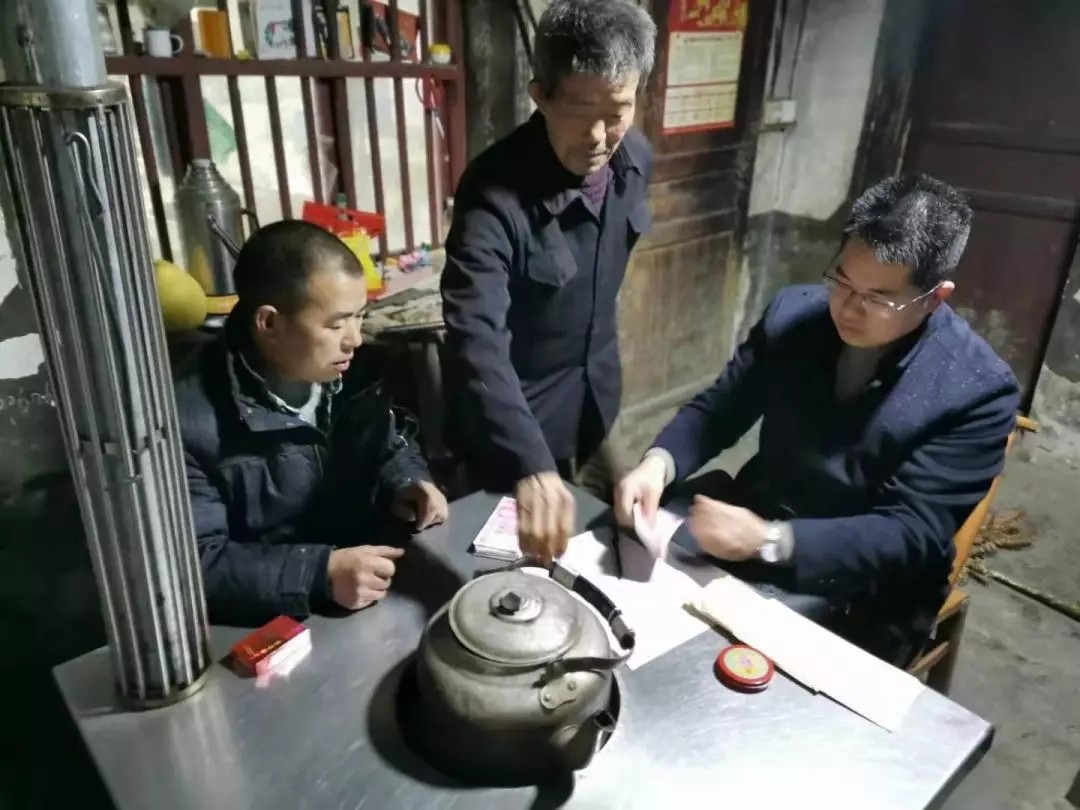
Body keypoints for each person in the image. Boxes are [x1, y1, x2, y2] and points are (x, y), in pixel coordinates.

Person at [616, 174, 1021, 665]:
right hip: (760, 515)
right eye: (843, 280)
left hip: (869, 587)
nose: (848, 308)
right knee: (627, 598)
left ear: (936, 296)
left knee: (726, 673)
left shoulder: (977, 390)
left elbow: (910, 531)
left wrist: (769, 541)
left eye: (879, 298)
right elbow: (722, 407)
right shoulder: (795, 316)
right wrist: (658, 463)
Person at [440, 0, 656, 563]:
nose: (599, 136)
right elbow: (475, 334)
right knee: (509, 573)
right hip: (515, 420)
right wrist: (530, 464)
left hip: (594, 398)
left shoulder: (635, 161)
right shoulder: (492, 191)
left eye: (618, 110)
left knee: (619, 549)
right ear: (541, 95)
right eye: (580, 110)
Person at [176, 220, 448, 625]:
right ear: (269, 324)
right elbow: (197, 565)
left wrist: (406, 480)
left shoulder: (352, 371)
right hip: (279, 622)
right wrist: (319, 573)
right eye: (336, 324)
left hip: (371, 598)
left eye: (359, 317)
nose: (354, 339)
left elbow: (390, 439)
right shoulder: (191, 422)